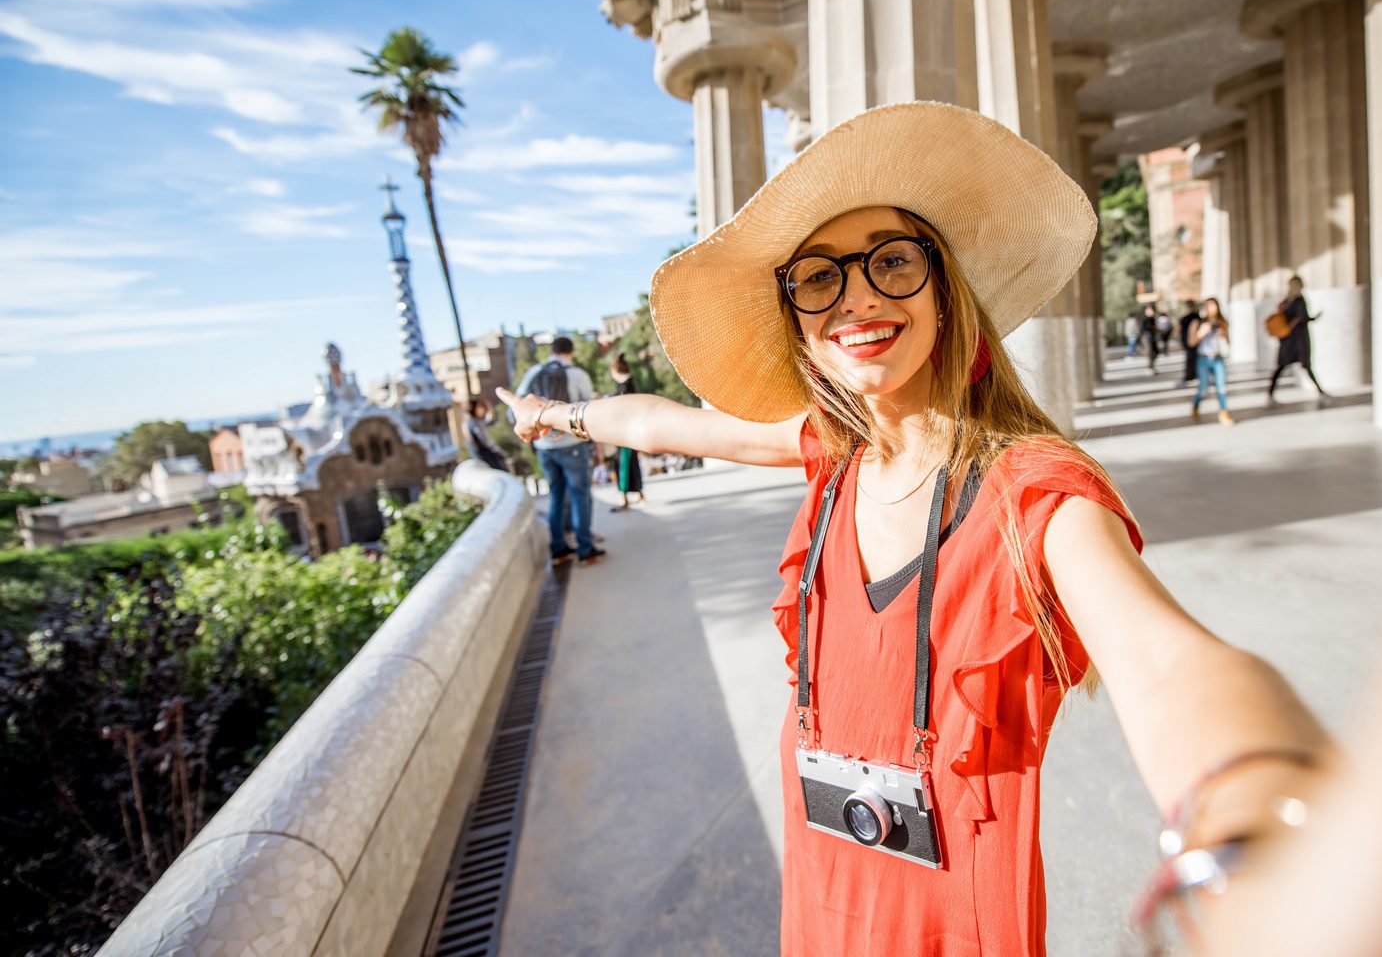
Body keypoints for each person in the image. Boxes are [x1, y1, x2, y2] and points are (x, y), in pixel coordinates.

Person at [498, 102, 1324, 957]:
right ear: (799, 324)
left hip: (951, 922)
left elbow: (1165, 661)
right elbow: (671, 425)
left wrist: (1263, 814)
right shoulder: (832, 453)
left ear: (943, 290)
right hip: (823, 886)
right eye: (819, 277)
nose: (856, 296)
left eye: (891, 262)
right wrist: (557, 415)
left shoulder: (1034, 493)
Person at [515, 336, 606, 566]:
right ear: (571, 352)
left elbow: (519, 406)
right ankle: (585, 549)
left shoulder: (534, 372)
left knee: (556, 494)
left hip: (543, 447)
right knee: (580, 494)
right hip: (571, 444)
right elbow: (590, 413)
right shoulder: (577, 375)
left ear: (551, 351)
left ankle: (559, 549)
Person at [1268, 275, 1330, 403]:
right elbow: (1302, 317)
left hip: (1287, 338)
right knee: (1305, 365)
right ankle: (1320, 391)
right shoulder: (1299, 300)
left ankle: (1270, 391)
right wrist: (1314, 318)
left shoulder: (1286, 301)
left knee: (1282, 366)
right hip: (1298, 338)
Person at [607, 353, 647, 512]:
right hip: (629, 433)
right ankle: (637, 494)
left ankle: (623, 496)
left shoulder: (625, 387)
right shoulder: (627, 385)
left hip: (625, 435)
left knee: (623, 464)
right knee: (630, 463)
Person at [1189, 297, 1236, 426]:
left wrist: (1223, 335)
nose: (1212, 309)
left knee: (1221, 387)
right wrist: (1201, 333)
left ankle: (1224, 413)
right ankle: (1195, 405)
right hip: (1203, 359)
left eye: (1214, 306)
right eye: (1209, 306)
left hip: (1218, 358)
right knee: (1203, 388)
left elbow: (1229, 341)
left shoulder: (1222, 322)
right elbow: (1191, 342)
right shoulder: (1198, 322)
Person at [464, 398, 510, 472]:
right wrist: (499, 451)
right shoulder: (474, 423)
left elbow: (488, 419)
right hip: (486, 457)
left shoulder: (474, 422)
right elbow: (486, 441)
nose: (482, 409)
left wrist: (489, 408)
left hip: (484, 459)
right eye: (480, 407)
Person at [1177, 299, 1202, 385]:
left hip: (1192, 341)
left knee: (1191, 358)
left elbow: (1178, 330)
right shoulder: (1195, 317)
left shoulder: (1188, 318)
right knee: (1193, 358)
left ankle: (1191, 375)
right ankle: (1192, 375)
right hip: (1190, 342)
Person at [1142, 302, 1161, 372]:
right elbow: (1146, 328)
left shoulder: (1152, 318)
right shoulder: (1146, 319)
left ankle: (1152, 366)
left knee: (1155, 351)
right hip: (1148, 337)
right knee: (1150, 352)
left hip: (1152, 337)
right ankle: (1150, 367)